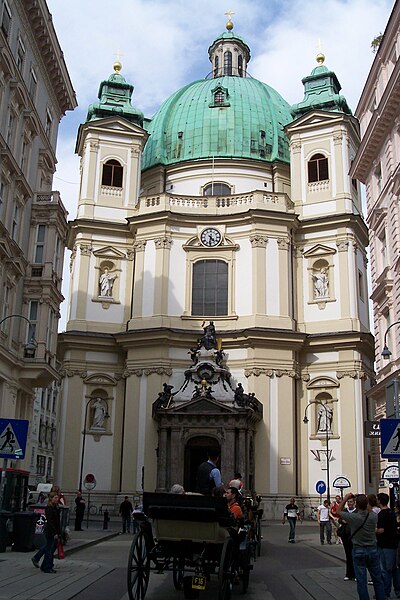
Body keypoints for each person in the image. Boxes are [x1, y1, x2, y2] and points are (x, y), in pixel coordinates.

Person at [337, 492, 386, 600]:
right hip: (372, 549)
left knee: (361, 581)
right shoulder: (373, 516)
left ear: (356, 505)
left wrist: (345, 498)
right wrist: (364, 499)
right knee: (377, 580)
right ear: (367, 504)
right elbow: (368, 509)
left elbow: (338, 511)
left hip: (358, 549)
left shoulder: (354, 517)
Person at [376, 492, 400, 599]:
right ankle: (398, 590)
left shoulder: (381, 514)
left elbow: (381, 530)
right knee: (394, 569)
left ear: (380, 501)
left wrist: (373, 530)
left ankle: (385, 593)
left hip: (384, 544)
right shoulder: (392, 513)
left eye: (377, 499)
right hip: (393, 544)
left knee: (385, 570)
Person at [32, 491, 61, 573]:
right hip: (49, 531)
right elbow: (51, 521)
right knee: (49, 550)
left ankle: (45, 565)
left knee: (49, 549)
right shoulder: (49, 508)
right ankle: (47, 566)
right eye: (55, 497)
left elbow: (57, 521)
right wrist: (55, 532)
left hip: (54, 530)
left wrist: (59, 533)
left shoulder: (56, 507)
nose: (57, 499)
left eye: (57, 497)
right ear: (51, 499)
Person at [337, 493, 356, 581]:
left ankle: (355, 574)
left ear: (354, 502)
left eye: (351, 502)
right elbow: (339, 518)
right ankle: (349, 574)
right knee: (348, 555)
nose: (349, 503)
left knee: (354, 555)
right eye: (348, 502)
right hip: (345, 535)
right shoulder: (345, 510)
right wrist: (343, 521)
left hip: (354, 536)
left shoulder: (357, 511)